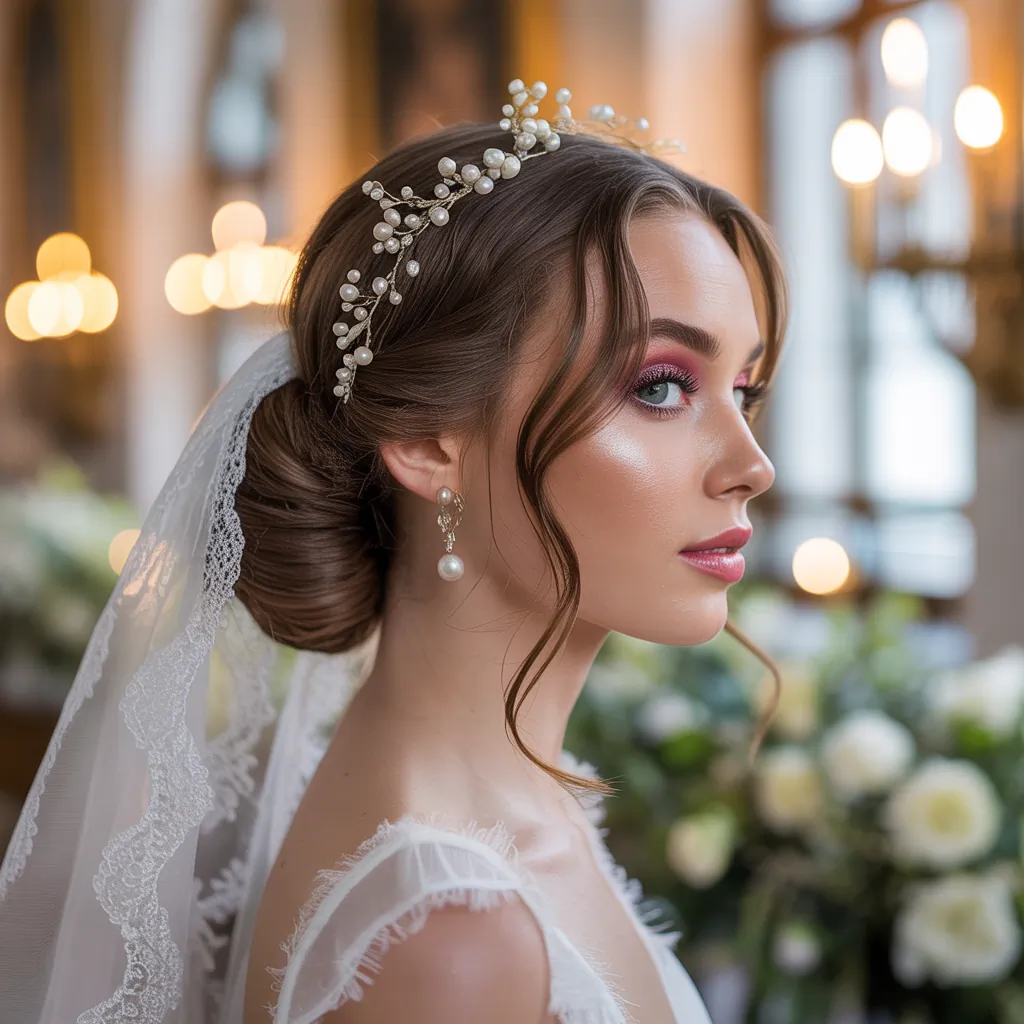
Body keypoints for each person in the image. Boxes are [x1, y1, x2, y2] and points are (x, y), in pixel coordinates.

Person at [0, 80, 785, 1023]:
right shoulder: (454, 942)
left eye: (743, 388)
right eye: (661, 387)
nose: (752, 466)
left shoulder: (505, 812)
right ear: (425, 443)